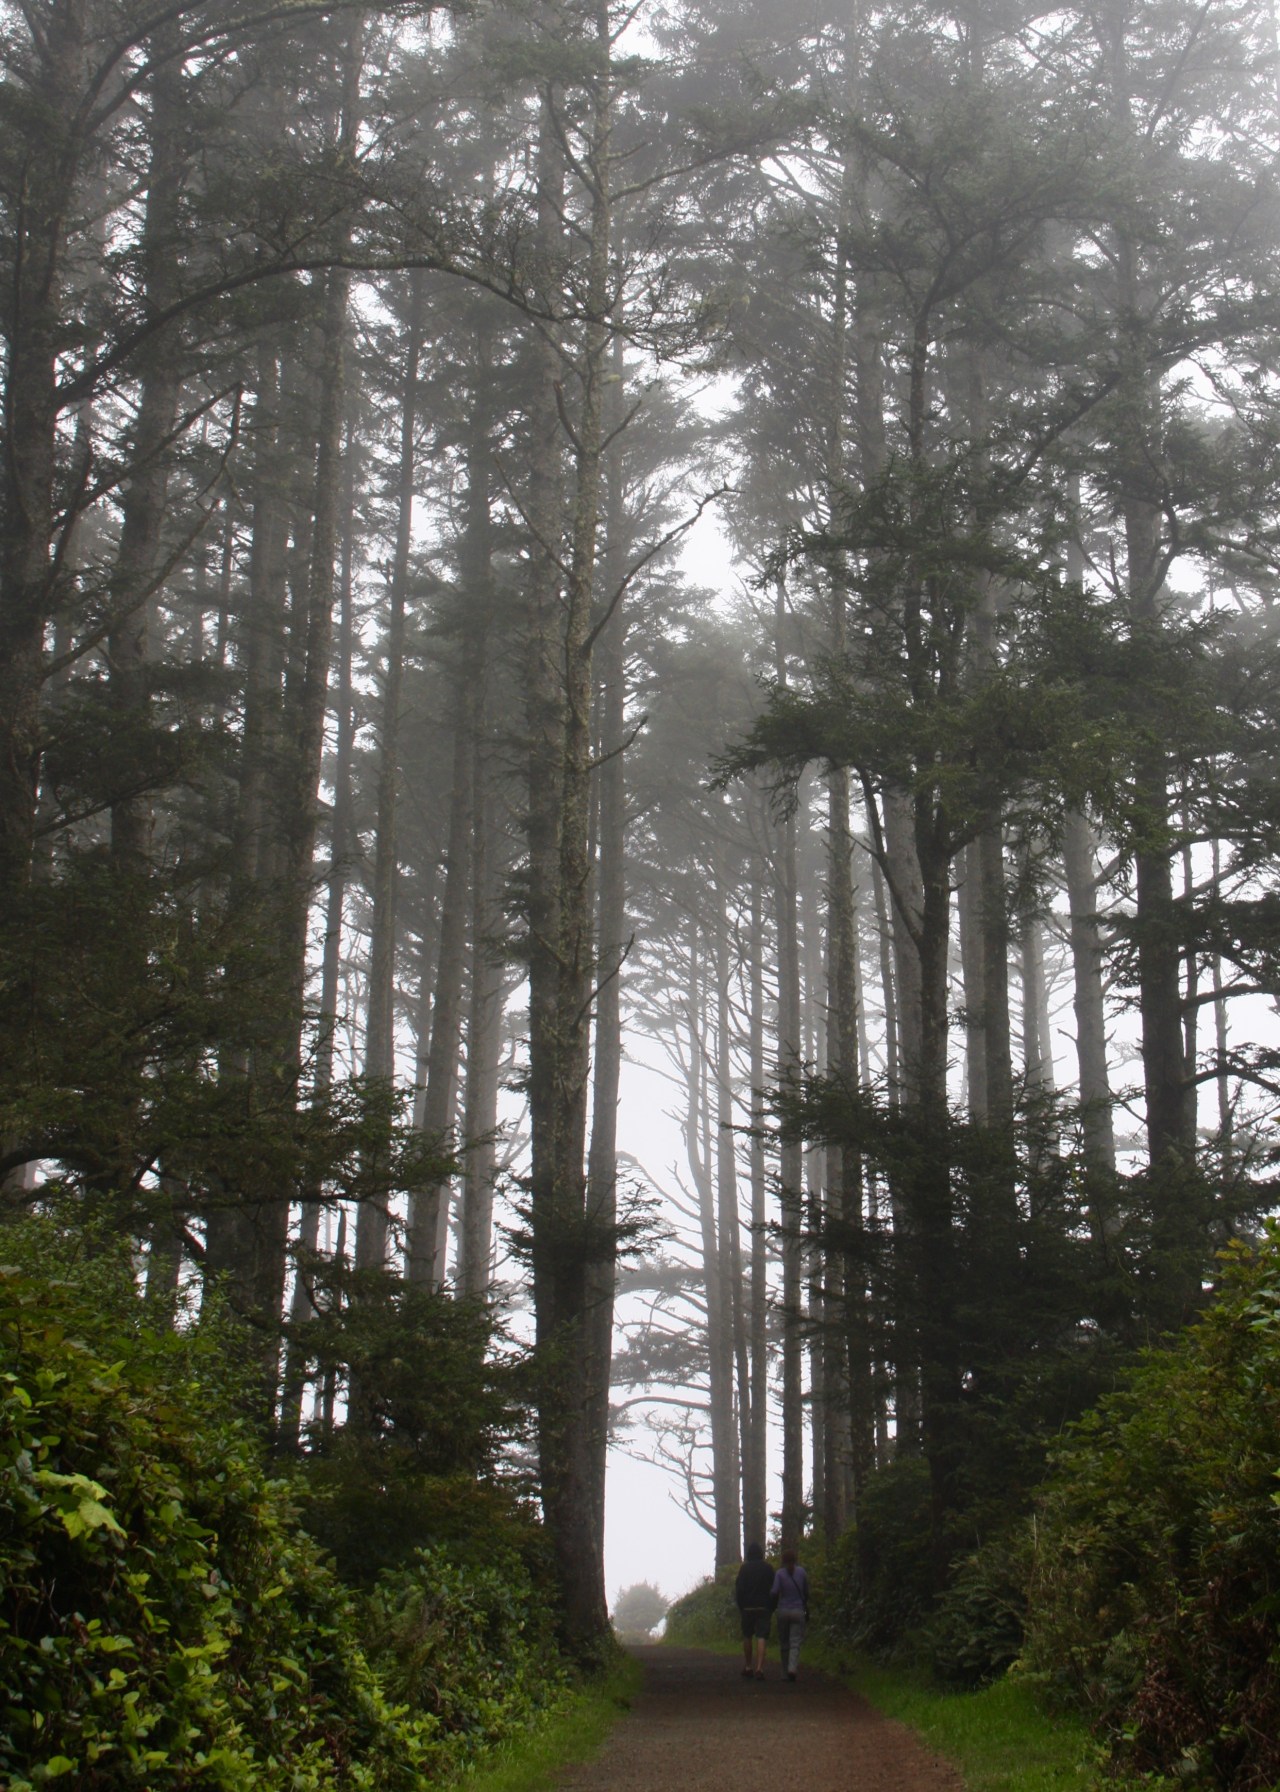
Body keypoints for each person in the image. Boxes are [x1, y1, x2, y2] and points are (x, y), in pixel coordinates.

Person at [733, 1541, 774, 1679]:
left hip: (747, 1607)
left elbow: (739, 1590)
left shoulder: (744, 1569)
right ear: (761, 1554)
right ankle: (760, 1668)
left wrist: (741, 1606)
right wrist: (771, 1606)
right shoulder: (768, 1568)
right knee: (761, 1636)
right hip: (764, 1607)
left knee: (747, 1635)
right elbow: (773, 1590)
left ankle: (748, 1665)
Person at [771, 1548, 809, 1681]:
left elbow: (774, 1592)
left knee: (784, 1642)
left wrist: (772, 1604)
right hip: (798, 1611)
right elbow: (806, 1591)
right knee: (795, 1642)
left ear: (783, 1561)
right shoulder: (802, 1572)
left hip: (783, 1610)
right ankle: (792, 1668)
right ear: (795, 1560)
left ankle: (784, 1672)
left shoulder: (780, 1574)